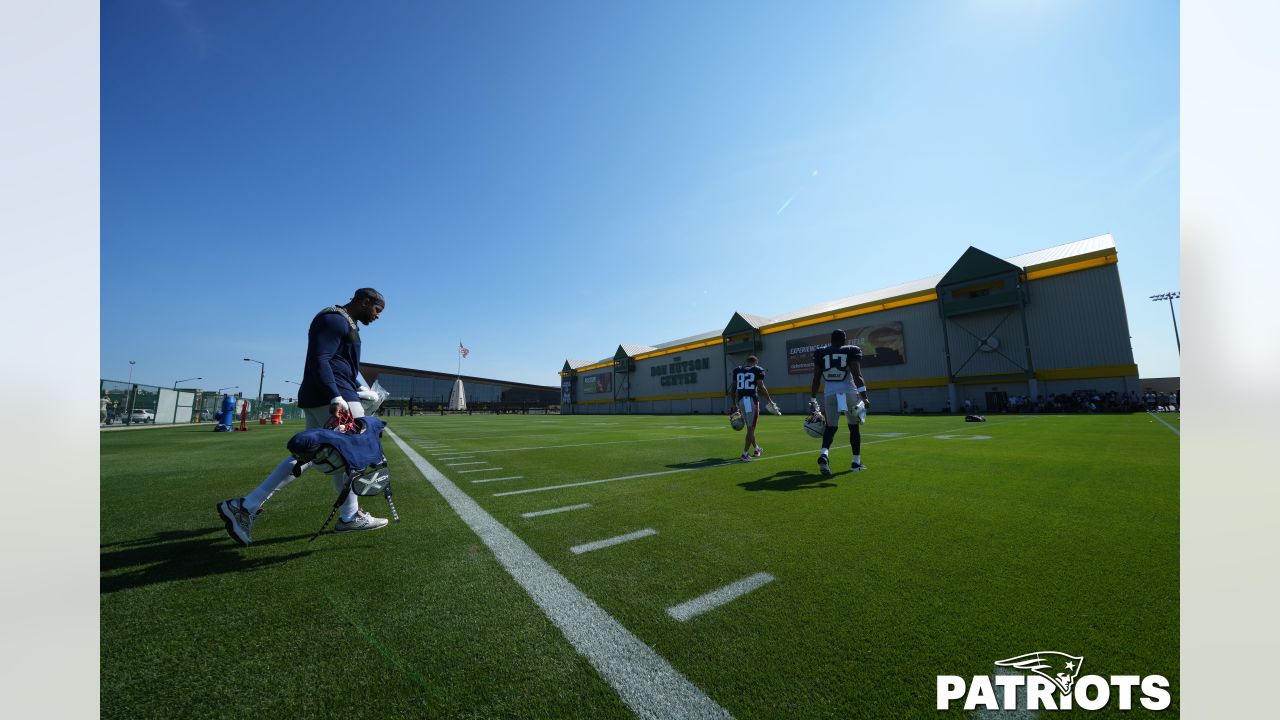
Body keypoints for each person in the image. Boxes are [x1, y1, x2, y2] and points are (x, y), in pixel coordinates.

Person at [218, 288, 388, 546]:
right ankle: (349, 515)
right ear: (365, 301)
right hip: (332, 397)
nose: (377, 317)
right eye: (377, 310)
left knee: (310, 456)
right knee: (351, 453)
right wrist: (335, 395)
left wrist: (357, 386)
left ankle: (247, 505)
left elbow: (339, 364)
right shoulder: (334, 319)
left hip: (330, 393)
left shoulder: (343, 321)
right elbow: (320, 359)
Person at [809, 328, 871, 476]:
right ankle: (856, 462)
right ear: (844, 339)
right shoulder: (851, 350)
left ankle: (824, 454)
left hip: (829, 393)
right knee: (853, 427)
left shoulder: (821, 352)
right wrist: (864, 396)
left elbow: (816, 378)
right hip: (849, 392)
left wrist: (812, 399)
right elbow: (857, 375)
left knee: (831, 428)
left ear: (831, 340)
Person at [728, 355, 778, 462]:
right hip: (751, 401)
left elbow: (733, 388)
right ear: (756, 362)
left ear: (747, 361)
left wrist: (734, 403)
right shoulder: (757, 370)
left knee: (750, 428)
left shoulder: (738, 370)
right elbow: (761, 386)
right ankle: (745, 454)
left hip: (741, 401)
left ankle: (756, 448)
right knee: (751, 428)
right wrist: (770, 400)